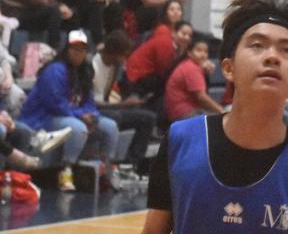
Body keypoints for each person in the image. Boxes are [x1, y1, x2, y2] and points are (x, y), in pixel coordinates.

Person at [142, 0, 288, 234]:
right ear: (228, 67)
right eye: (257, 45)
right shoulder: (180, 142)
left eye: (286, 50)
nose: (272, 57)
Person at [19, 30, 119, 191]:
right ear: (67, 49)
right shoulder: (54, 70)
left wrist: (91, 115)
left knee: (110, 127)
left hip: (69, 115)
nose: (78, 53)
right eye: (75, 49)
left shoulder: (85, 71)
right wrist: (81, 116)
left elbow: (89, 102)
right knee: (78, 128)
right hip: (43, 118)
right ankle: (66, 172)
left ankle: (106, 171)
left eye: (82, 50)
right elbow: (55, 104)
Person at [92, 30, 157, 166]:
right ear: (114, 53)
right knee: (116, 116)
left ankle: (130, 164)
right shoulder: (93, 66)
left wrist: (129, 101)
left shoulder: (114, 68)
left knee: (148, 118)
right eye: (123, 56)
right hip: (93, 110)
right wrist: (123, 104)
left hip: (107, 106)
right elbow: (93, 103)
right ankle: (109, 163)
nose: (125, 60)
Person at [124, 20, 193, 104]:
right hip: (137, 75)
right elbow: (164, 70)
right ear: (174, 32)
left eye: (189, 35)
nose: (186, 38)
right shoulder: (166, 44)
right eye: (183, 34)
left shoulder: (178, 47)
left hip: (146, 74)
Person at [164, 38, 223, 122]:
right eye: (199, 50)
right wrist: (221, 110)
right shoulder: (192, 69)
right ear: (189, 52)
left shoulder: (191, 64)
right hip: (183, 113)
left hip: (177, 111)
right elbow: (202, 98)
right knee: (220, 121)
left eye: (205, 51)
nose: (203, 54)